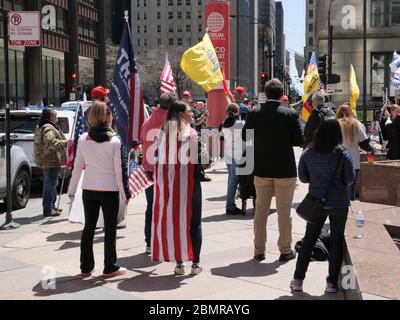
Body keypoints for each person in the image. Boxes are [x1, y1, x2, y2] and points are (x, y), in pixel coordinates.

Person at [291, 119, 355, 294]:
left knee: (309, 240)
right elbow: (349, 180)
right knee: (336, 241)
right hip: (339, 203)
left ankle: (298, 280)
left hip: (316, 202)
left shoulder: (308, 153)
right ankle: (332, 283)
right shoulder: (343, 154)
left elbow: (303, 178)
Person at [243, 79, 304, 262]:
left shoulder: (254, 113)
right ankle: (285, 250)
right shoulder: (290, 114)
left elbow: (246, 136)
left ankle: (258, 250)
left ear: (265, 93)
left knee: (261, 210)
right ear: (281, 94)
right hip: (284, 169)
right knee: (284, 212)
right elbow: (298, 141)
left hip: (261, 168)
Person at [68, 102, 130, 278]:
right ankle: (110, 266)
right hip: (109, 190)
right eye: (110, 113)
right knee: (110, 228)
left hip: (89, 188)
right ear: (106, 117)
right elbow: (120, 172)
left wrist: (72, 189)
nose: (112, 117)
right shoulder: (115, 141)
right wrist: (125, 194)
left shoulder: (83, 138)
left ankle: (86, 266)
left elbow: (77, 167)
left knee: (89, 227)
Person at [152, 101, 208, 276]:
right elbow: (203, 160)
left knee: (177, 222)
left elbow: (156, 160)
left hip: (169, 186)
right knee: (195, 223)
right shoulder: (191, 134)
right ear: (181, 114)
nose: (192, 114)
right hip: (190, 184)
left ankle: (179, 264)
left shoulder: (161, 134)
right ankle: (196, 263)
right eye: (189, 111)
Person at [140, 92, 178, 255]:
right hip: (167, 171)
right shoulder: (172, 124)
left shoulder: (147, 123)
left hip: (149, 169)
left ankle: (149, 241)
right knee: (168, 207)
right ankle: (164, 240)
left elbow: (143, 141)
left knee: (152, 207)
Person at [34, 108, 67, 217]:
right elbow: (50, 141)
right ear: (51, 116)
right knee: (50, 184)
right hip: (50, 160)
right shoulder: (48, 127)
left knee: (53, 183)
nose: (57, 116)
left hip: (49, 159)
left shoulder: (44, 125)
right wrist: (65, 142)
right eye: (55, 114)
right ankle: (48, 209)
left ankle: (52, 206)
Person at [336, 105, 373, 200]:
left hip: (336, 162)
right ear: (350, 113)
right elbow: (364, 144)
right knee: (350, 188)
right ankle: (350, 210)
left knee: (337, 189)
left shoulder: (334, 124)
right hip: (353, 162)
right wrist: (371, 151)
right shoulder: (356, 124)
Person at [221, 103, 246, 215]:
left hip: (228, 154)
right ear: (237, 112)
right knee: (233, 181)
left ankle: (230, 203)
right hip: (237, 154)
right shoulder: (240, 124)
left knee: (231, 180)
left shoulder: (223, 124)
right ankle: (230, 206)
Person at [182, 90, 211, 182]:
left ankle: (200, 174)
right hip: (185, 137)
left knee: (198, 156)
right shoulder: (180, 110)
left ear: (190, 98)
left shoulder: (193, 110)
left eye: (187, 97)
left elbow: (197, 122)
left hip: (194, 137)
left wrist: (203, 117)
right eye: (184, 97)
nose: (186, 99)